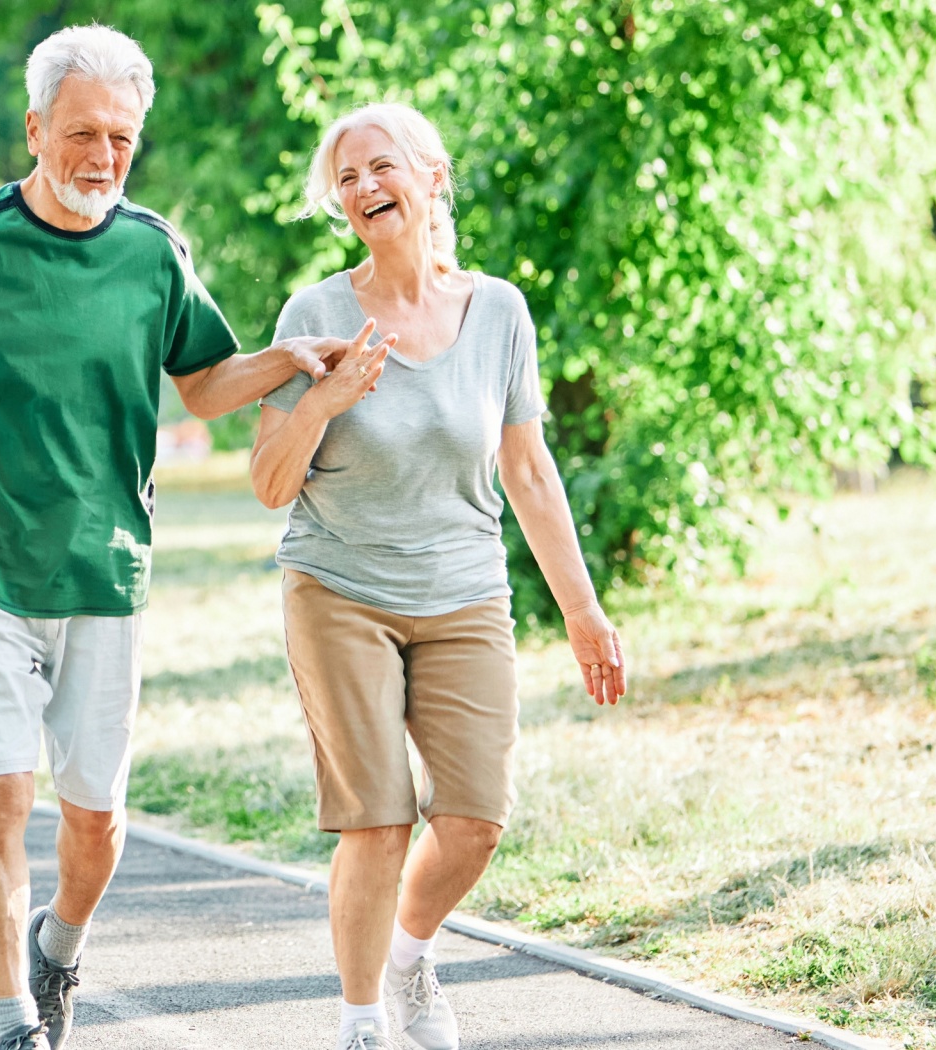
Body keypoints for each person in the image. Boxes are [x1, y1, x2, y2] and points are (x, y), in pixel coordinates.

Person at [0, 26, 370, 1050]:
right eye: (81, 134)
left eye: (121, 139)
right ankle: (10, 1021)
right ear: (34, 129)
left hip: (104, 572)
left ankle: (59, 947)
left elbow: (202, 382)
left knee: (95, 828)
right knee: (0, 796)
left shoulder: (151, 251)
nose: (101, 159)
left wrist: (284, 359)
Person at [251, 103, 629, 1050]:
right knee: (376, 820)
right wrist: (326, 396)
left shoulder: (497, 310)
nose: (364, 188)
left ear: (432, 177)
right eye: (346, 179)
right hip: (338, 586)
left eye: (381, 167)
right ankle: (361, 1020)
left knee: (474, 819)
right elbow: (268, 482)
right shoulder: (316, 314)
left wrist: (581, 611)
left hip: (464, 591)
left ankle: (409, 956)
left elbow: (529, 472)